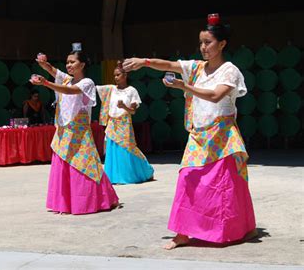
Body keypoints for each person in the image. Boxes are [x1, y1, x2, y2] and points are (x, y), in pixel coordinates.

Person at [123, 13, 256, 249]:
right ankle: (184, 233)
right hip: (198, 135)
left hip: (222, 136)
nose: (203, 47)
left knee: (225, 185)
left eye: (208, 42)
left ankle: (233, 229)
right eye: (201, 43)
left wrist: (184, 86)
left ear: (222, 44)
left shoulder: (230, 71)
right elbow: (169, 65)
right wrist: (143, 61)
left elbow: (216, 96)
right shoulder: (196, 67)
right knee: (188, 179)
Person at [32, 49, 119, 215]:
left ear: (83, 64)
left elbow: (71, 91)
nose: (69, 65)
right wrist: (44, 65)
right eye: (67, 62)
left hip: (79, 133)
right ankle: (65, 203)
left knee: (84, 165)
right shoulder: (66, 80)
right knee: (63, 163)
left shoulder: (87, 83)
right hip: (64, 130)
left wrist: (46, 84)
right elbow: (53, 71)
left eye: (72, 62)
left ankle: (92, 201)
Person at [96, 61, 154, 184]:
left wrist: (124, 107)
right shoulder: (111, 89)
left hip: (125, 123)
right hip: (112, 124)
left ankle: (133, 174)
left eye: (118, 75)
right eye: (114, 75)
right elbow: (93, 87)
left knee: (128, 149)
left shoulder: (131, 91)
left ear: (125, 75)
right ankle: (113, 177)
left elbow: (133, 111)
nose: (115, 78)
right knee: (113, 150)